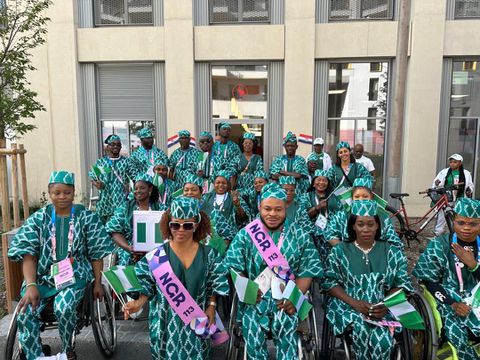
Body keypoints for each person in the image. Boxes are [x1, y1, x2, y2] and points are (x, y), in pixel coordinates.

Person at [8, 171, 113, 360]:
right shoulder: (39, 218)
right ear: (49, 193)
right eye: (57, 192)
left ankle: (67, 351)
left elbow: (96, 253)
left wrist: (98, 282)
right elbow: (28, 254)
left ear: (74, 193)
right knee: (25, 313)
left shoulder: (86, 217)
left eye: (67, 192)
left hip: (75, 275)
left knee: (63, 307)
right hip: (43, 278)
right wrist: (31, 285)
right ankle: (35, 355)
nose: (62, 197)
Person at [223, 182, 323, 359]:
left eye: (278, 209)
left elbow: (309, 269)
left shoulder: (299, 235)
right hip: (255, 299)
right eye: (267, 208)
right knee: (251, 325)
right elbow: (233, 266)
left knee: (286, 323)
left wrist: (295, 297)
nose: (272, 214)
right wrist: (247, 289)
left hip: (287, 298)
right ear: (260, 207)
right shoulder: (246, 234)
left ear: (286, 208)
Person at [123, 197, 229, 359]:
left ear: (196, 224)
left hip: (197, 323)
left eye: (187, 225)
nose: (180, 229)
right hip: (165, 325)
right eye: (175, 224)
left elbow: (214, 283)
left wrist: (212, 305)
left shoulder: (209, 255)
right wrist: (137, 304)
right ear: (168, 224)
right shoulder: (157, 256)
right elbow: (146, 284)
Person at [323, 200, 413, 360]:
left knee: (384, 340)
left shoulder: (392, 252)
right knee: (361, 330)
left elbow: (402, 283)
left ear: (378, 225)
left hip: (384, 304)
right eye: (360, 224)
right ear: (353, 226)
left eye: (370, 224)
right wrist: (355, 303)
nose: (365, 229)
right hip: (348, 304)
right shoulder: (339, 252)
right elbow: (330, 283)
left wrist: (385, 304)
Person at [414, 198, 480, 359]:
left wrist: (474, 265)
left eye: (473, 224)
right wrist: (452, 303)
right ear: (454, 221)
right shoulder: (440, 245)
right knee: (457, 330)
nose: (466, 228)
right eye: (461, 222)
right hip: (449, 298)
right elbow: (429, 281)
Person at [324, 177, 402, 248]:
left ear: (372, 198)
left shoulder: (383, 217)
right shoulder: (341, 215)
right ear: (352, 198)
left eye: (365, 196)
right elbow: (330, 234)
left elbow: (394, 242)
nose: (361, 200)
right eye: (357, 197)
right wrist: (344, 250)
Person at [106, 174, 161, 266]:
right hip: (130, 250)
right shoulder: (125, 208)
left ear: (150, 189)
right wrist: (129, 248)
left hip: (156, 250)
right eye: (136, 188)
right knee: (126, 259)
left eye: (142, 188)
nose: (138, 191)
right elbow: (114, 231)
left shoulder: (161, 208)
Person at [89, 134, 138, 223]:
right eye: (113, 144)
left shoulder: (126, 162)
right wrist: (97, 184)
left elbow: (135, 179)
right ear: (107, 147)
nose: (116, 146)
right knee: (103, 227)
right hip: (104, 199)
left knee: (119, 224)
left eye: (118, 145)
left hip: (120, 199)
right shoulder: (101, 162)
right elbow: (93, 176)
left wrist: (131, 194)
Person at [201, 171, 249, 249]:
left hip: (229, 238)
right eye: (218, 182)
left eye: (224, 183)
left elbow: (243, 218)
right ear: (214, 183)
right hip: (208, 237)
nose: (220, 185)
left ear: (228, 184)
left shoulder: (234, 197)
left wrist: (238, 205)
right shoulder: (206, 197)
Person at [432, 153, 475, 236]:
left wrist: (469, 190)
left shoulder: (466, 173)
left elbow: (470, 185)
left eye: (455, 162)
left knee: (459, 217)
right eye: (451, 162)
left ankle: (458, 234)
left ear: (460, 163)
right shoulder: (444, 172)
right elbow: (436, 183)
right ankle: (438, 233)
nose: (452, 164)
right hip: (446, 198)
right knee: (442, 216)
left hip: (460, 198)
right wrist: (437, 183)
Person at [304, 169, 342, 260]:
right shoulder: (306, 196)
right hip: (312, 234)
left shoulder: (335, 197)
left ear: (328, 183)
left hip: (331, 233)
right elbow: (304, 216)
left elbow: (341, 214)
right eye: (318, 180)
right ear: (313, 183)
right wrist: (317, 208)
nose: (321, 182)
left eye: (324, 180)